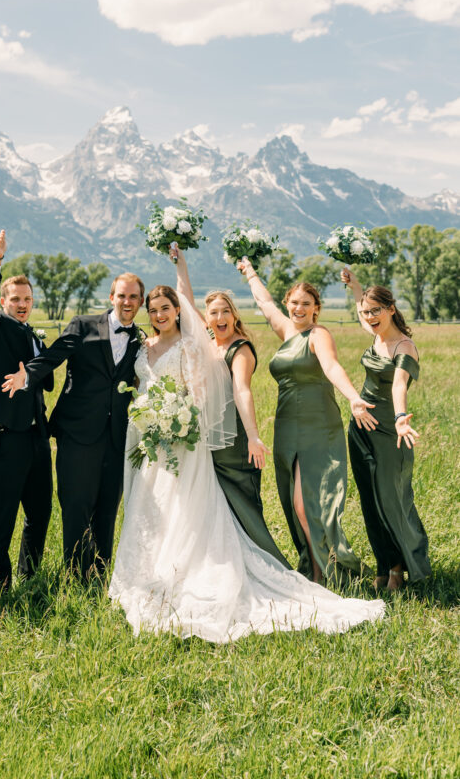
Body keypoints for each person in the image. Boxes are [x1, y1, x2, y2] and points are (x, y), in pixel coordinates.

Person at [108, 253, 385, 642]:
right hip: (152, 440)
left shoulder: (213, 347)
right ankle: (147, 573)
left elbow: (225, 391)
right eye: (152, 310)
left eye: (165, 308)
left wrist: (235, 432)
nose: (158, 314)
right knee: (155, 507)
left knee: (201, 510)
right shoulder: (150, 343)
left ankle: (307, 569)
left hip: (191, 437)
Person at [238, 259, 377, 585]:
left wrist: (353, 397)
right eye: (294, 303)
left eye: (306, 304)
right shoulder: (285, 329)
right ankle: (313, 567)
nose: (299, 308)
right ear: (288, 304)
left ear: (316, 308)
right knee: (292, 500)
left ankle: (323, 574)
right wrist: (250, 272)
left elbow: (331, 367)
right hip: (287, 425)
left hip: (318, 425)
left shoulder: (319, 334)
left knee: (307, 503)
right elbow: (263, 301)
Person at [2, 269, 144, 579]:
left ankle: (100, 575)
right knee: (77, 507)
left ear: (141, 301)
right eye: (122, 295)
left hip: (117, 436)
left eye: (134, 296)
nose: (127, 301)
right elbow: (54, 355)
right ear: (111, 297)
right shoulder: (83, 325)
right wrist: (27, 376)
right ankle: (76, 575)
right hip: (78, 432)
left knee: (107, 510)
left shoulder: (141, 339)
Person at [174, 249, 289, 566]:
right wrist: (181, 263)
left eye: (225, 311)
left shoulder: (240, 348)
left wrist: (253, 435)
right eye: (213, 313)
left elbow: (241, 390)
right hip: (209, 439)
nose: (219, 318)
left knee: (244, 507)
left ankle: (267, 564)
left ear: (234, 315)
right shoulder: (211, 340)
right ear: (207, 318)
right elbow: (184, 298)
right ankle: (225, 565)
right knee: (215, 508)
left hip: (236, 442)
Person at [341, 269, 431, 590]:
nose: (369, 317)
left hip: (391, 431)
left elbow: (398, 386)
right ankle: (385, 565)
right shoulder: (375, 332)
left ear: (391, 309)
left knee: (390, 499)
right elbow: (361, 311)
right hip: (360, 427)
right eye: (366, 313)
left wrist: (401, 416)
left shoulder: (403, 347)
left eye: (376, 311)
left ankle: (402, 567)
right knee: (369, 499)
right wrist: (356, 289)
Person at [0, 230, 54, 589]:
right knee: (2, 514)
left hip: (37, 436)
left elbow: (45, 381)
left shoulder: (34, 336)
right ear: (4, 301)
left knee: (40, 512)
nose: (22, 304)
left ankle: (29, 575)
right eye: (16, 299)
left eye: (28, 299)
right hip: (4, 435)